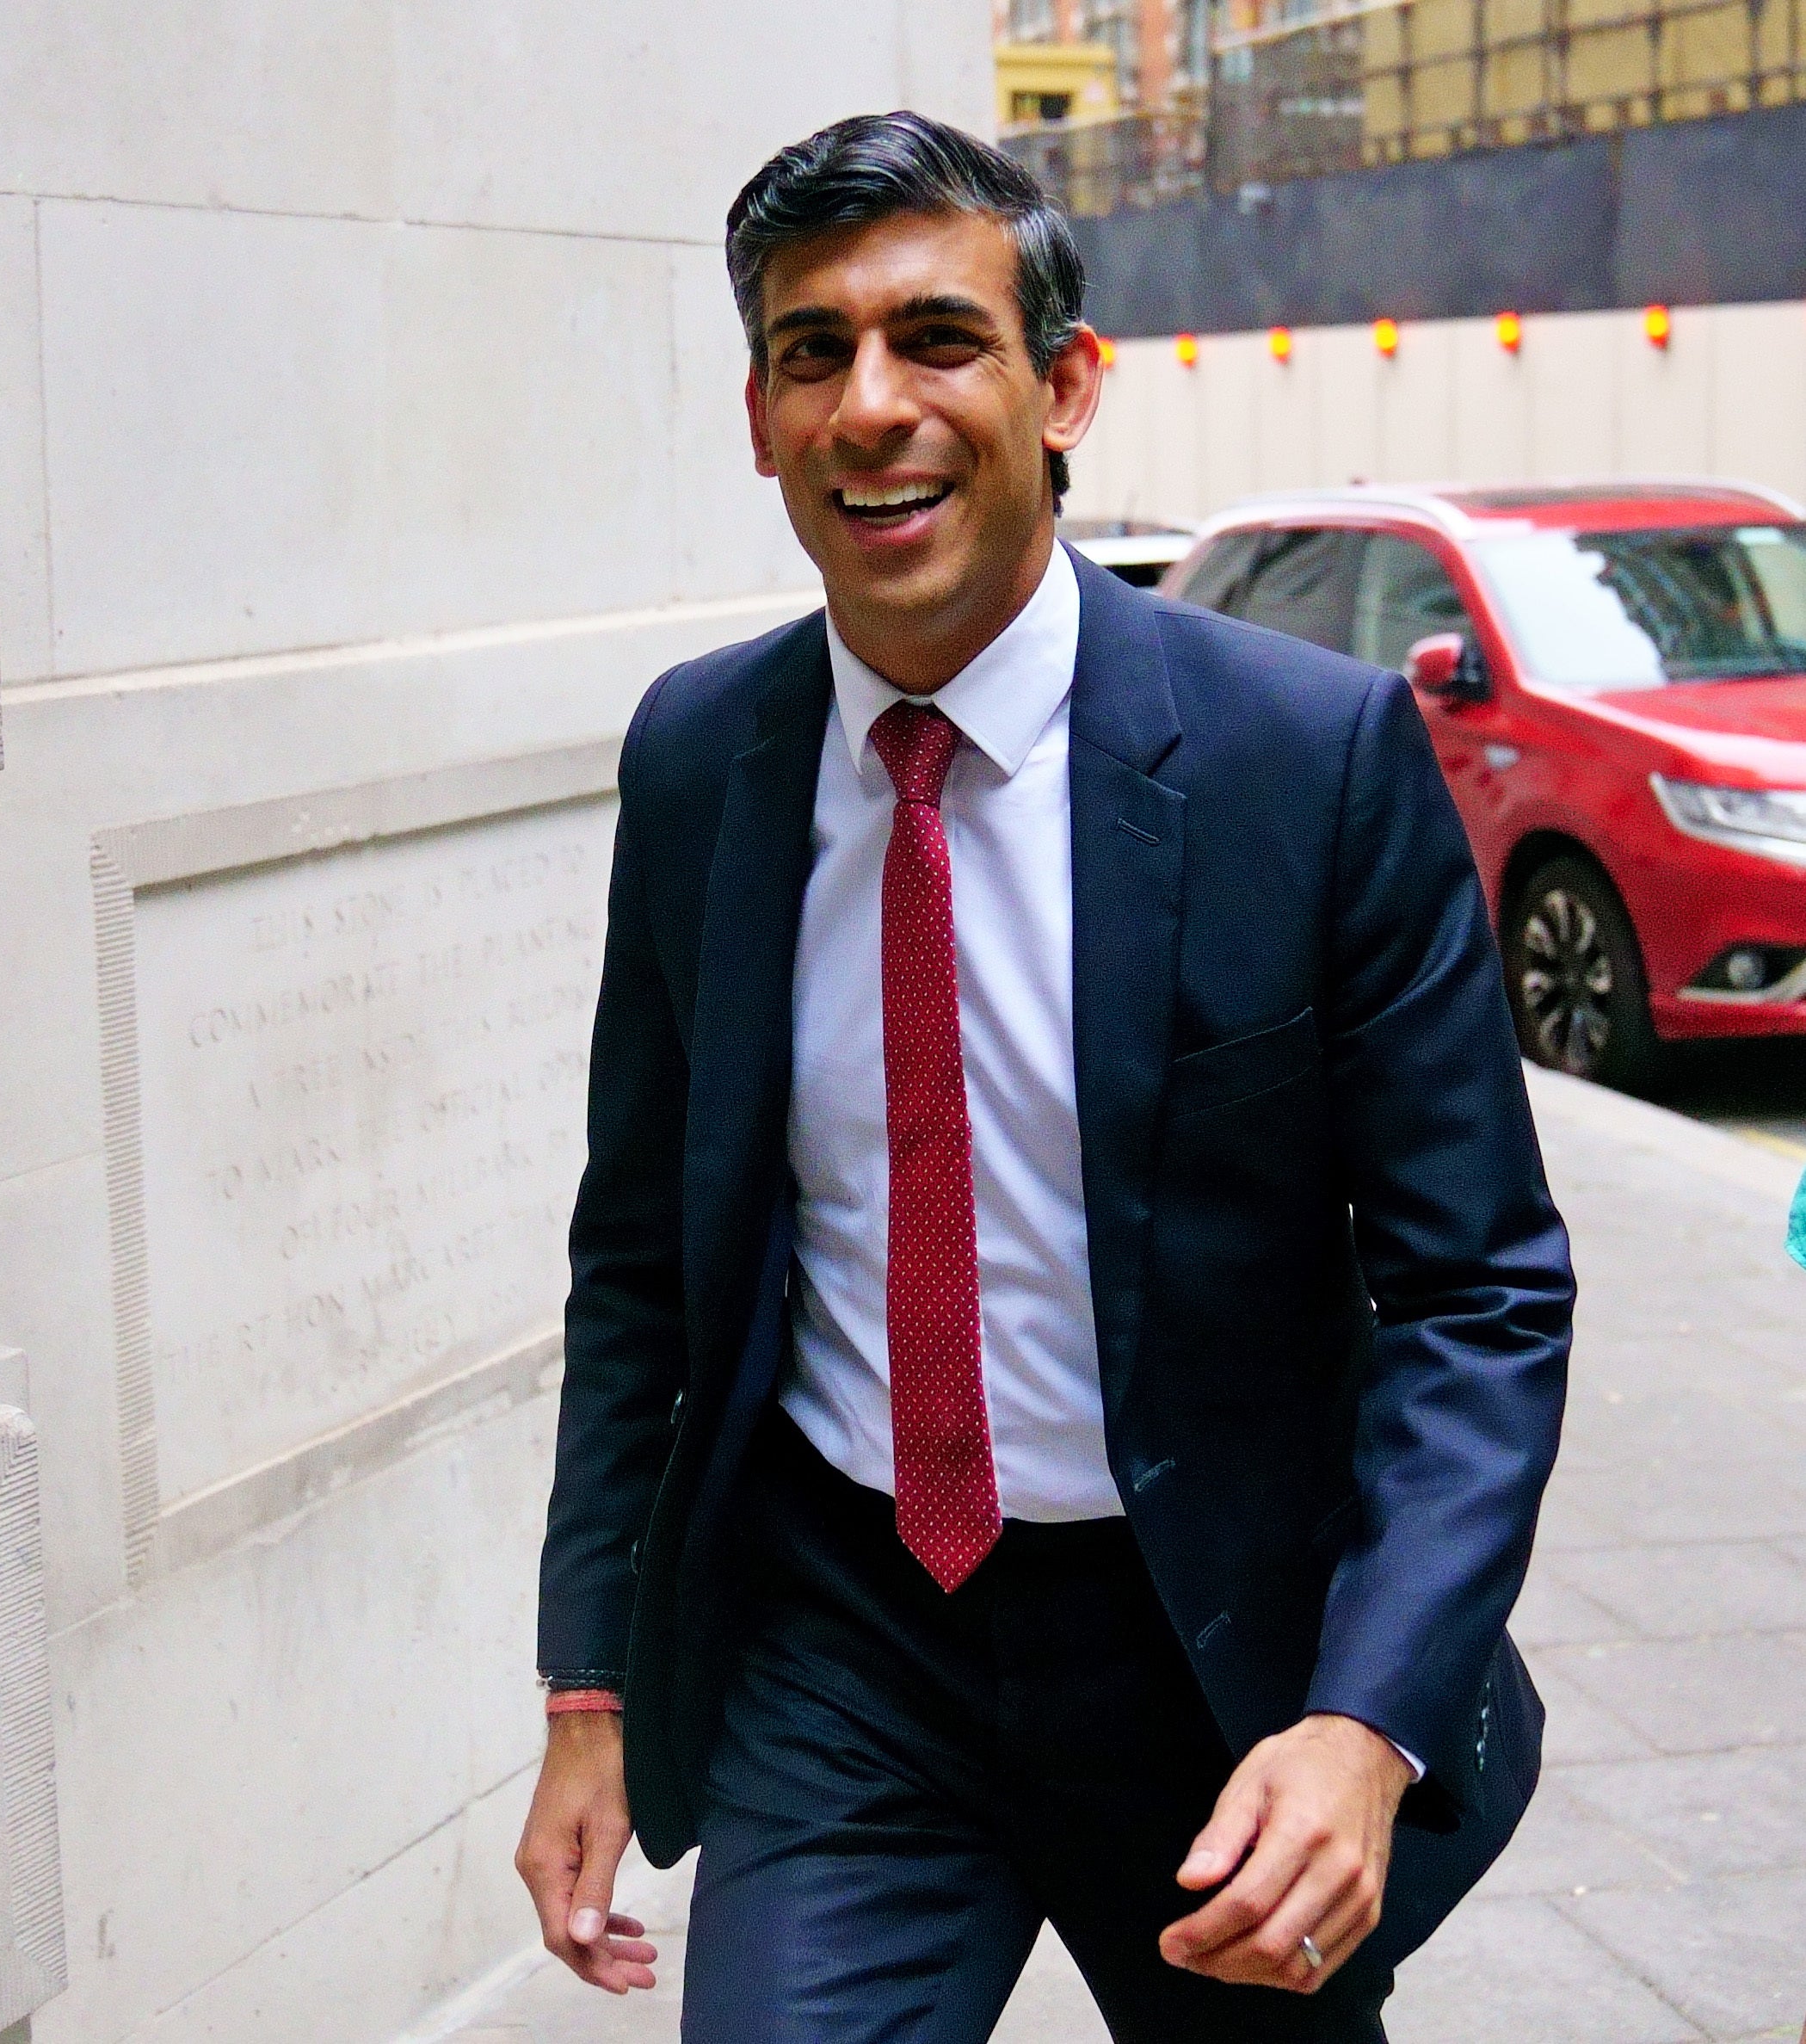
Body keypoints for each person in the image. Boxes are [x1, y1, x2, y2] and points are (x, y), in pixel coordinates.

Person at [515, 112, 1572, 2041]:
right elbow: (638, 1272)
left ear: (1062, 385)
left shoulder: (1302, 763)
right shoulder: (695, 763)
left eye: (935, 339)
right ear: (756, 418)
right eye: (808, 353)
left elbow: (1473, 1284)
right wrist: (586, 1681)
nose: (869, 407)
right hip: (841, 1647)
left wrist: (1361, 1718)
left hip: (1213, 1658)